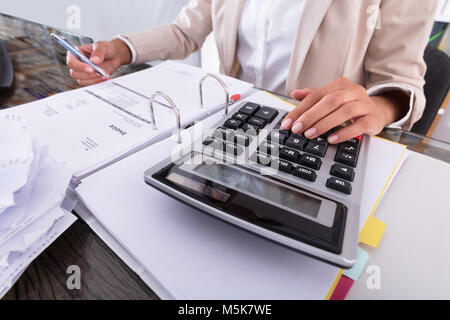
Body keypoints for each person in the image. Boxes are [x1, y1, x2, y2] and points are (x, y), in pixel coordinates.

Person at [67, 0, 438, 144]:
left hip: (314, 135)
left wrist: (380, 108)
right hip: (233, 124)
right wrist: (122, 48)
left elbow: (401, 80)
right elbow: (187, 30)